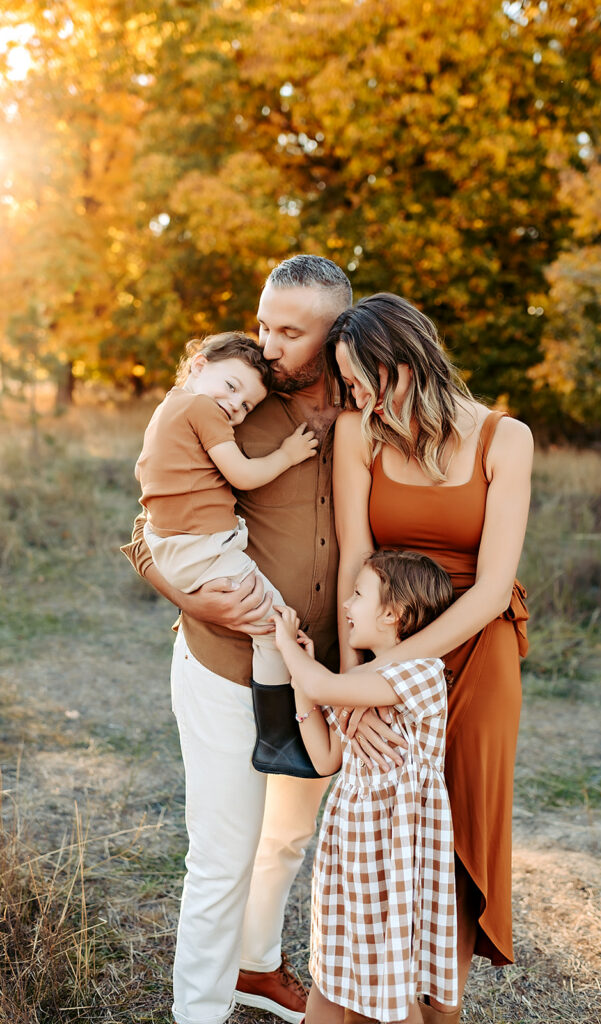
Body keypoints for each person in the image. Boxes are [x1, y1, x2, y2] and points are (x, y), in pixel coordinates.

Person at [122, 255, 363, 1024]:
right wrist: (197, 600)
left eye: (289, 332)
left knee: (288, 838)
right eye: (262, 323)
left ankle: (257, 970)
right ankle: (197, 1012)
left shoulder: (371, 403)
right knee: (222, 856)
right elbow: (148, 524)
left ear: (337, 335)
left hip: (323, 673)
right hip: (225, 659)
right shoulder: (224, 402)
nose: (268, 345)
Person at [326, 293, 533, 1024]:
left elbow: (491, 589)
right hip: (382, 639)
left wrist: (384, 678)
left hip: (478, 651)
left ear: (402, 367)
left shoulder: (506, 440)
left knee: (460, 833)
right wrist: (354, 686)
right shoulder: (359, 435)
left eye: (359, 381)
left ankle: (440, 1011)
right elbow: (356, 557)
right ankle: (370, 989)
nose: (352, 397)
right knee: (385, 818)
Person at [272, 549, 458, 1024]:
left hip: (393, 854)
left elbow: (322, 687)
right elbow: (325, 757)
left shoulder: (423, 674)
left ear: (393, 614)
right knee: (333, 969)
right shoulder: (356, 680)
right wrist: (302, 682)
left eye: (358, 594)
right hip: (351, 849)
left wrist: (287, 649)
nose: (347, 605)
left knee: (391, 987)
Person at [135, 331, 318, 691]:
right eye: (232, 386)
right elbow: (243, 475)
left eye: (247, 405)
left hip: (173, 546)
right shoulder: (201, 407)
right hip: (204, 549)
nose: (236, 405)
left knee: (265, 624)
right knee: (277, 626)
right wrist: (287, 455)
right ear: (199, 365)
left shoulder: (167, 409)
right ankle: (277, 726)